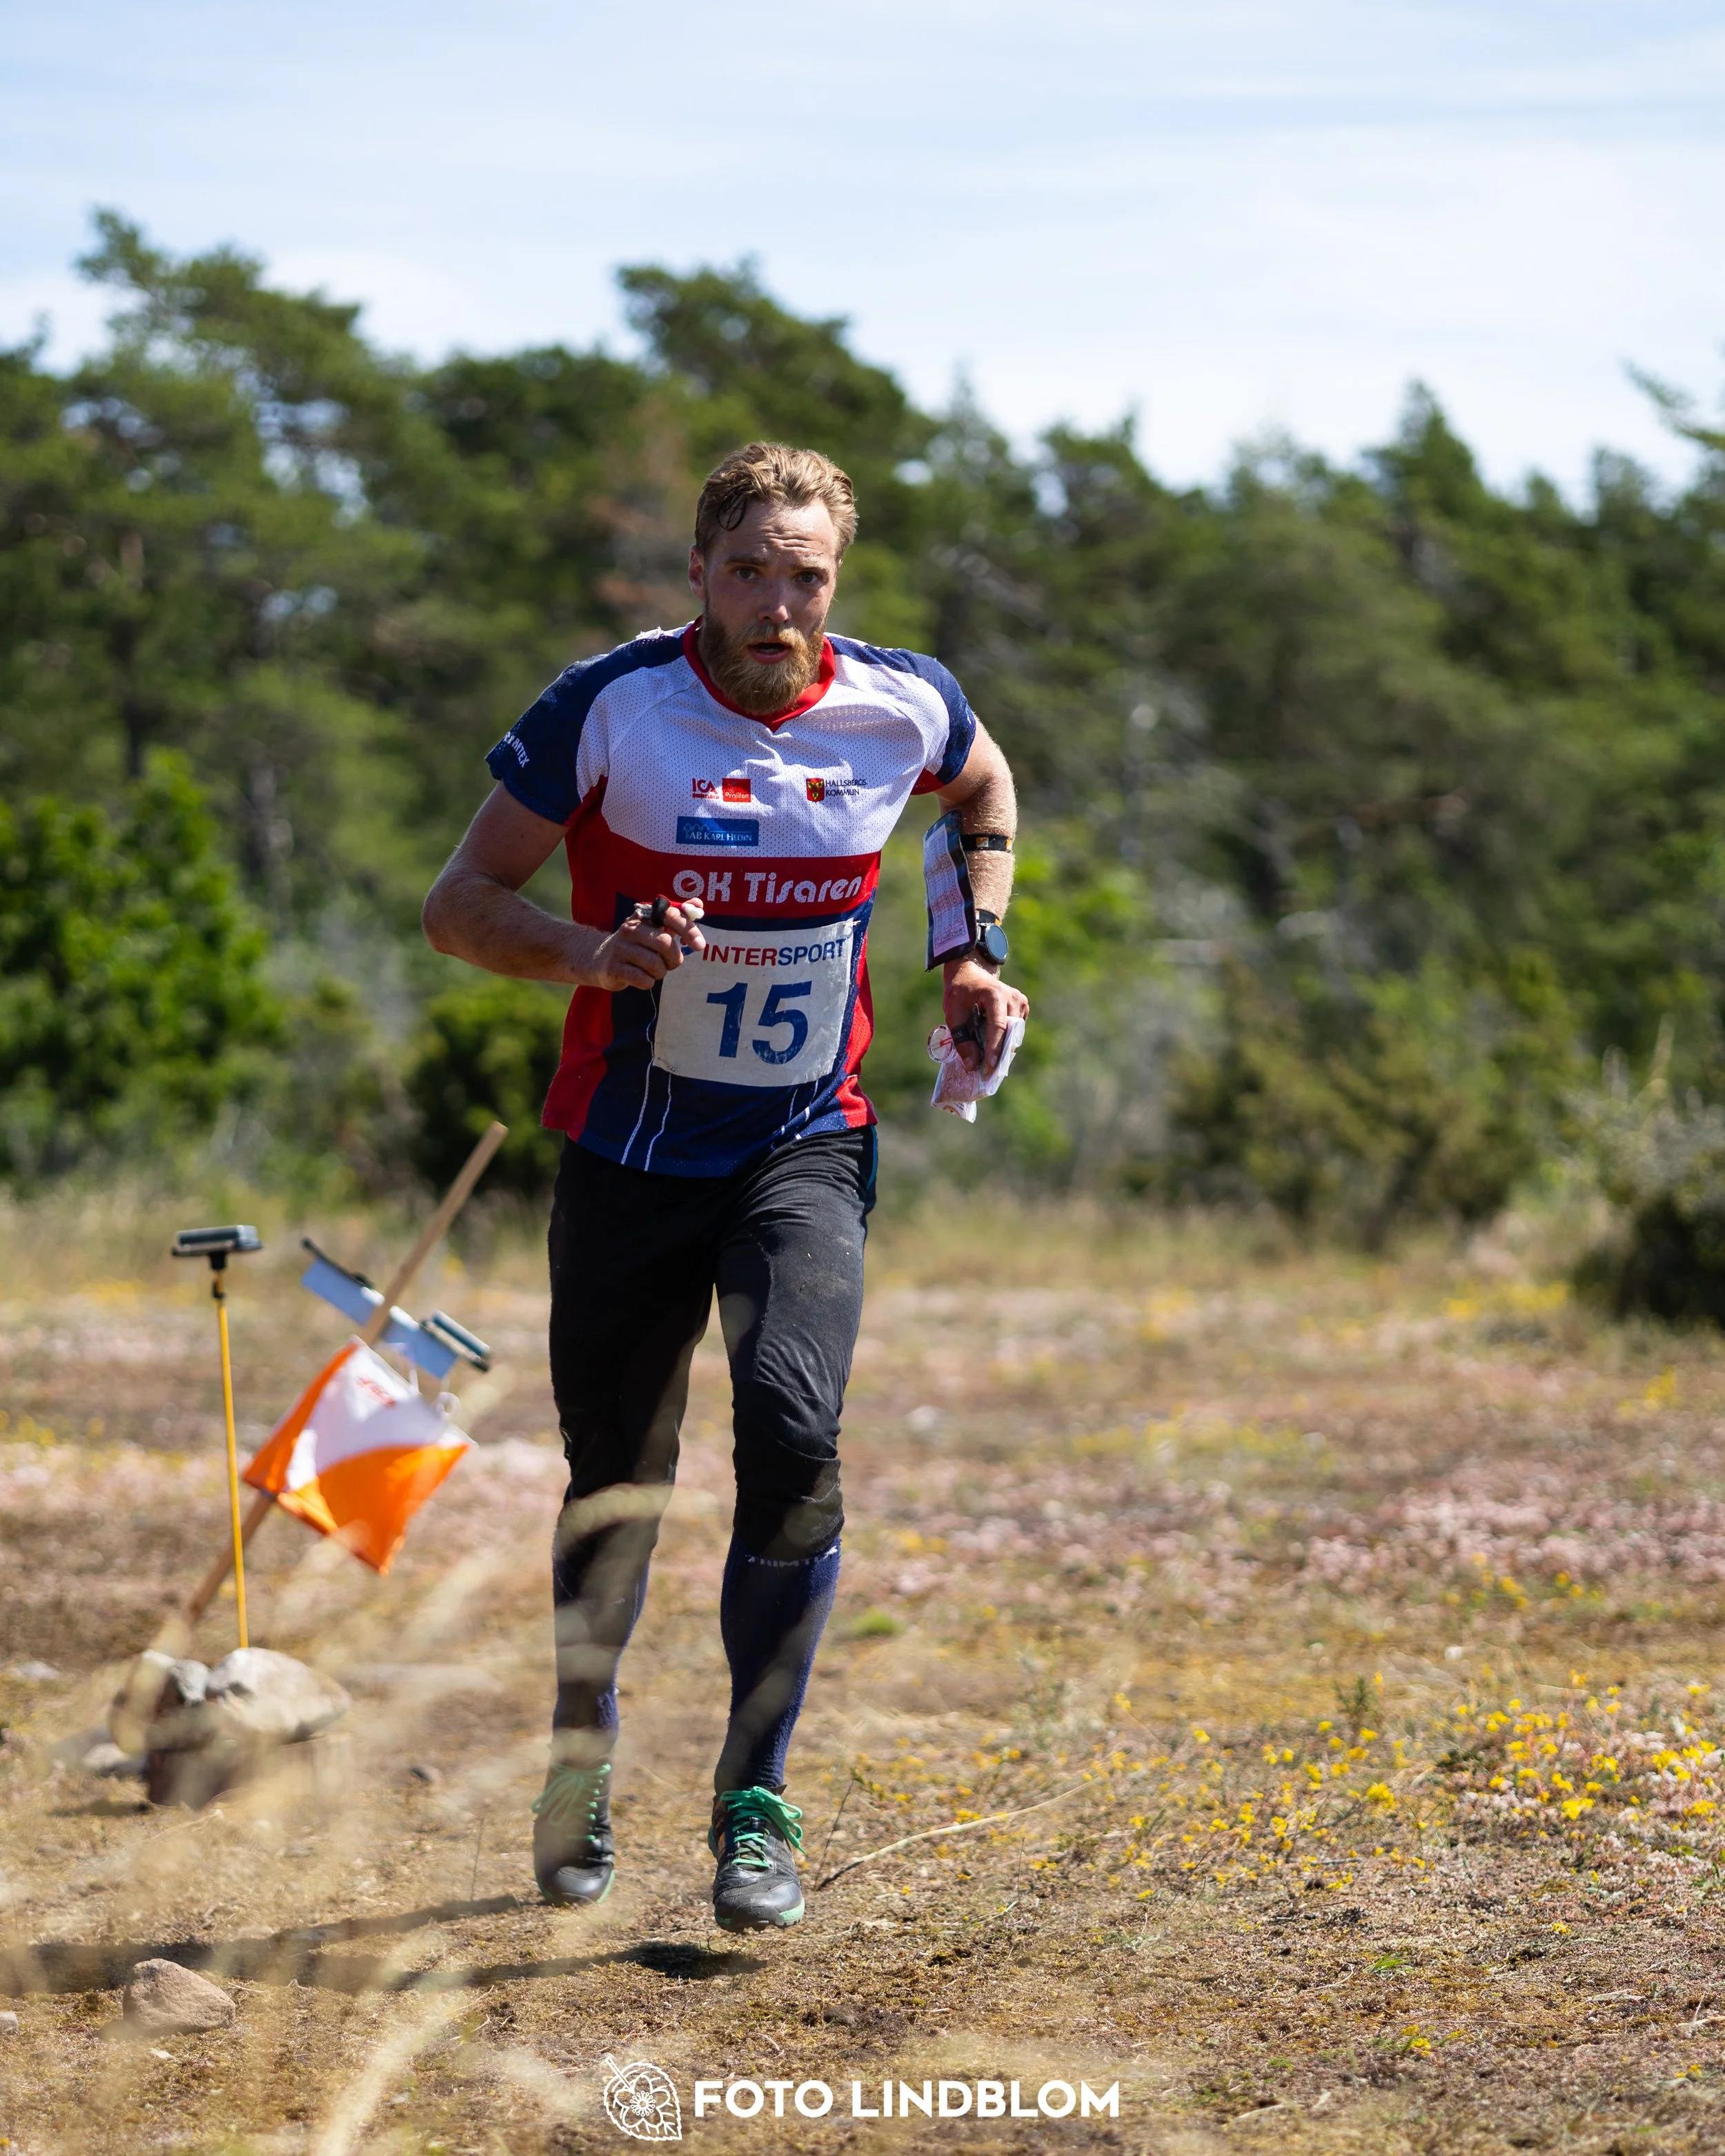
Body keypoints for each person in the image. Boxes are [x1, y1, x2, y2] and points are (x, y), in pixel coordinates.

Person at [422, 442, 1027, 1930]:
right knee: (616, 1481)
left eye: (804, 576)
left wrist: (971, 953)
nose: (775, 605)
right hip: (628, 1150)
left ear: (837, 580)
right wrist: (582, 951)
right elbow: (458, 905)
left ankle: (753, 1796)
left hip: (800, 1138)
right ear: (698, 572)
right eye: (747, 572)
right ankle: (580, 1761)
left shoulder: (902, 701)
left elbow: (980, 784)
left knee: (796, 1434)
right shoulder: (610, 706)